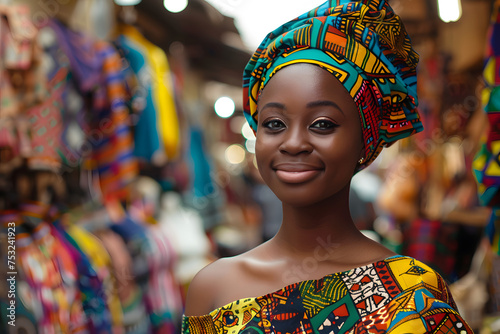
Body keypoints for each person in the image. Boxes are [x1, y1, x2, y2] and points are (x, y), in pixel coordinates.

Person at [182, 0, 474, 332]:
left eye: (322, 124)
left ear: (364, 141)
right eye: (274, 124)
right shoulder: (213, 289)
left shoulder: (414, 296)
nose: (292, 143)